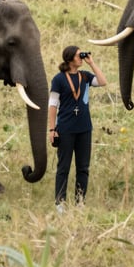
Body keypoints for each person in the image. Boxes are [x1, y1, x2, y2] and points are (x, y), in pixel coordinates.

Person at [48, 45, 108, 208]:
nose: (81, 57)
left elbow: (103, 82)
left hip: (84, 129)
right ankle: (60, 202)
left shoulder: (85, 76)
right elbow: (53, 105)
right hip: (65, 129)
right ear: (69, 59)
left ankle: (80, 201)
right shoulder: (58, 79)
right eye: (78, 55)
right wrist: (52, 129)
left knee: (83, 167)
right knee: (63, 167)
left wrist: (92, 63)